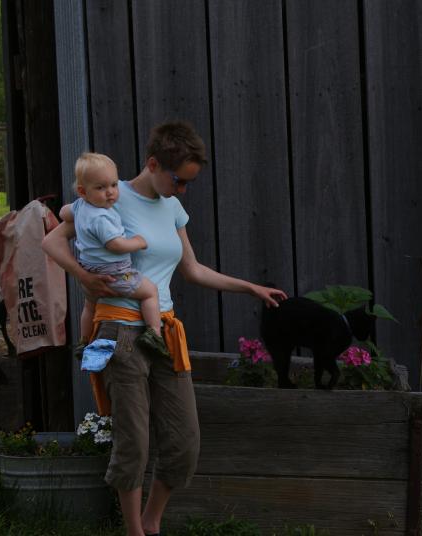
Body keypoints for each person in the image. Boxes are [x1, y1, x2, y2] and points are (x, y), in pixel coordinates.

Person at [42, 120, 287, 536]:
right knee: (134, 441)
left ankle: (152, 521)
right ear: (153, 163)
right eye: (179, 180)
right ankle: (134, 531)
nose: (183, 190)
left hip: (165, 332)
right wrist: (83, 277)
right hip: (120, 334)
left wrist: (250, 287)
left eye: (189, 182)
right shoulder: (108, 193)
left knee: (183, 441)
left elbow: (192, 269)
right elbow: (52, 242)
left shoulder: (172, 208)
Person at [62, 152, 168, 362]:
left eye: (113, 185)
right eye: (100, 188)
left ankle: (84, 341)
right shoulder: (101, 217)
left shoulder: (81, 206)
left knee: (89, 305)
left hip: (90, 269)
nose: (110, 192)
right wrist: (138, 242)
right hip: (116, 273)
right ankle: (154, 333)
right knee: (150, 291)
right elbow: (116, 245)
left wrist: (71, 211)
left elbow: (64, 213)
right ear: (83, 191)